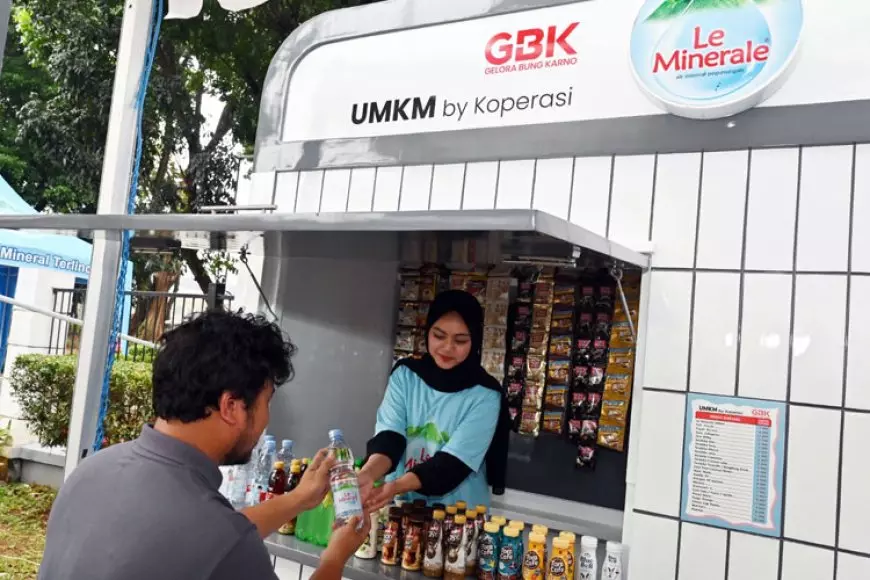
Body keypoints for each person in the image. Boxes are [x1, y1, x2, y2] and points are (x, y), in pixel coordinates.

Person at [39, 310, 369, 580]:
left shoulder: (91, 472)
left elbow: (202, 539)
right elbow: (220, 540)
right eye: (267, 401)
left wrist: (298, 499)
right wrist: (334, 557)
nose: (267, 418)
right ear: (231, 407)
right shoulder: (220, 536)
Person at [359, 290, 511, 511]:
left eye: (460, 340)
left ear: (475, 340)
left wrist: (395, 487)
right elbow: (390, 438)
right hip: (401, 508)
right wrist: (368, 473)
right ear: (427, 332)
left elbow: (451, 466)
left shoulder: (485, 395)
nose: (448, 347)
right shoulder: (405, 375)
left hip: (458, 516)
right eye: (439, 336)